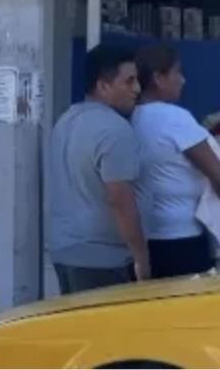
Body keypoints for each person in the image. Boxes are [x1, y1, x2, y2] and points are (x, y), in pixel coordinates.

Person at [46, 44, 150, 294]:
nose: (137, 89)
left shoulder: (66, 121)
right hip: (104, 261)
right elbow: (120, 199)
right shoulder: (114, 130)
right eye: (129, 81)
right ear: (103, 86)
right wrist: (141, 259)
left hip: (66, 252)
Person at [132, 45, 220, 279]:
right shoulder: (174, 118)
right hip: (183, 237)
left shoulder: (130, 116)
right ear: (158, 78)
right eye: (177, 72)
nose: (183, 80)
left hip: (145, 235)